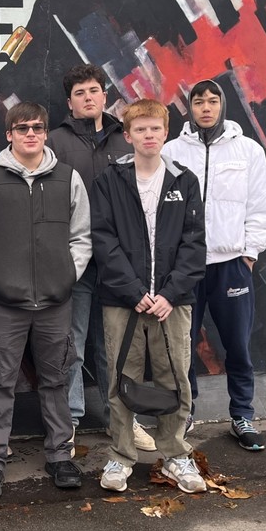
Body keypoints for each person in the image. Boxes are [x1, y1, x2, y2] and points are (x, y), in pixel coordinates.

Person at [0, 102, 91, 498]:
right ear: (9, 134)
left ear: (46, 132)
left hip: (55, 302)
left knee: (55, 379)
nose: (30, 134)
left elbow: (81, 237)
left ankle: (60, 456)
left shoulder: (68, 178)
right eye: (22, 128)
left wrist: (66, 276)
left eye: (37, 127)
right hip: (6, 303)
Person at [90, 99, 207, 494]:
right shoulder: (110, 180)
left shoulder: (184, 180)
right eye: (140, 129)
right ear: (128, 136)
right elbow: (103, 239)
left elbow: (194, 244)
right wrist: (134, 291)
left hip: (173, 302)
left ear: (166, 132)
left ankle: (175, 455)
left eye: (155, 128)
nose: (148, 135)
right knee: (121, 377)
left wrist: (170, 293)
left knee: (176, 377)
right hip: (124, 301)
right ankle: (121, 456)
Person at [161, 79, 266, 450]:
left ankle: (242, 414)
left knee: (237, 345)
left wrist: (249, 253)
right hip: (185, 266)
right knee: (182, 345)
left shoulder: (248, 150)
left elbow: (261, 205)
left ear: (222, 105)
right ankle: (184, 411)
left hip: (231, 265)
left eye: (212, 101)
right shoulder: (171, 150)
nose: (206, 108)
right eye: (199, 102)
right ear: (190, 107)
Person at [48, 64, 155, 453]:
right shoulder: (54, 142)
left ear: (105, 96)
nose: (88, 98)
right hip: (74, 262)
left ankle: (121, 421)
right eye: (80, 93)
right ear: (69, 102)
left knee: (116, 347)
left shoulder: (124, 139)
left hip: (118, 263)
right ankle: (70, 421)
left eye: (94, 90)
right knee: (72, 345)